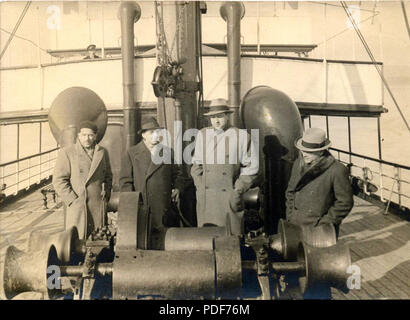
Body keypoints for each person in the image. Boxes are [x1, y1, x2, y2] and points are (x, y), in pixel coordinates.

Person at [191, 98, 259, 235]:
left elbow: (251, 168)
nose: (216, 121)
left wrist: (237, 191)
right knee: (206, 239)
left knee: (230, 239)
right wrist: (200, 186)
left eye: (220, 116)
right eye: (213, 117)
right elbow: (196, 165)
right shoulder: (202, 134)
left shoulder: (241, 136)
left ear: (228, 116)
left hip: (228, 198)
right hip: (207, 199)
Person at [119, 117, 184, 234]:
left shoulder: (168, 152)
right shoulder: (132, 153)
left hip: (164, 207)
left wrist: (178, 188)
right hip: (142, 206)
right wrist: (132, 204)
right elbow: (125, 182)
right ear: (143, 135)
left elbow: (178, 174)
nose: (156, 135)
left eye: (158, 132)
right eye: (152, 132)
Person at [285, 127, 354, 238]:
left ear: (321, 151)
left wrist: (324, 223)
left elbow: (345, 203)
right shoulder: (298, 164)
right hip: (295, 225)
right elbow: (290, 191)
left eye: (309, 152)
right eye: (302, 150)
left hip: (319, 230)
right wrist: (291, 215)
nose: (304, 154)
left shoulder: (337, 170)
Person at [53, 121, 112, 240]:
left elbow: (108, 175)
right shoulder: (67, 152)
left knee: (98, 239)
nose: (87, 139)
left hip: (97, 205)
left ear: (95, 136)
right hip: (78, 206)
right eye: (83, 135)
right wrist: (73, 200)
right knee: (77, 241)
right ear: (78, 136)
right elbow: (59, 180)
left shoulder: (102, 152)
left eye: (90, 135)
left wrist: (106, 194)